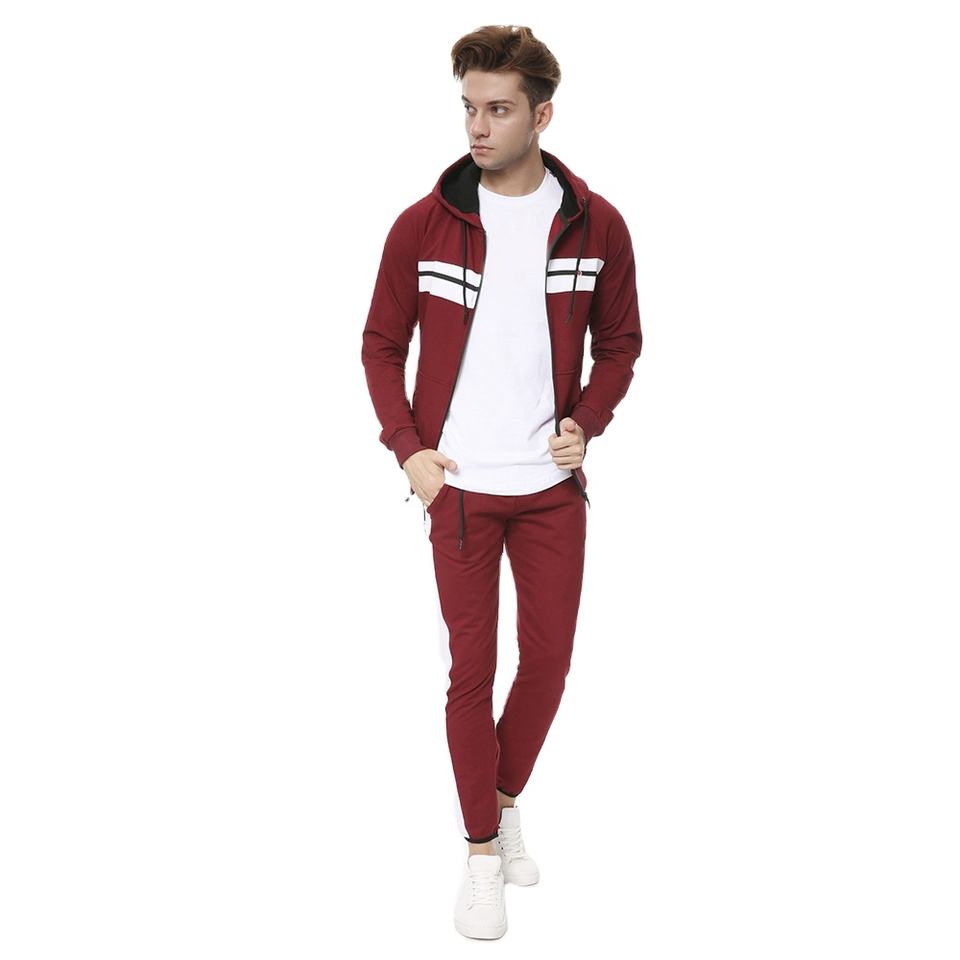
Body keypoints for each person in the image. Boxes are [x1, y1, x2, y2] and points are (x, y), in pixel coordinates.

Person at [360, 24, 642, 940]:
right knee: (471, 674)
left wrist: (587, 421)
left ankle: (503, 796)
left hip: (552, 489)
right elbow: (380, 344)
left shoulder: (597, 224)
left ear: (541, 116)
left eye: (498, 109)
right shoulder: (423, 224)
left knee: (550, 663)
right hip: (460, 491)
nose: (478, 127)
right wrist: (409, 450)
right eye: (469, 108)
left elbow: (622, 343)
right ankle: (482, 853)